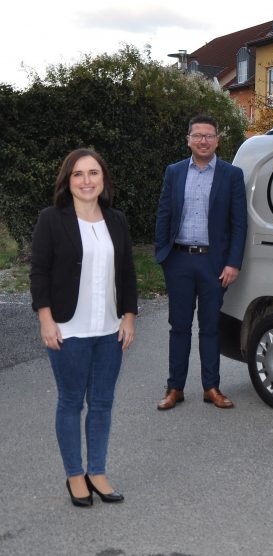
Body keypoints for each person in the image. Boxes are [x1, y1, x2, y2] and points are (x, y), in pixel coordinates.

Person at [31, 149, 137, 507]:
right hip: (68, 329)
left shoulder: (116, 220)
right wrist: (46, 320)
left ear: (103, 179)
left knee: (103, 403)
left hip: (109, 330)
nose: (87, 180)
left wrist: (129, 316)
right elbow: (39, 273)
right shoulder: (52, 219)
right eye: (78, 174)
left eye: (93, 173)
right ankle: (75, 474)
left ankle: (98, 471)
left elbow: (126, 273)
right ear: (68, 180)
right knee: (71, 402)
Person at [154, 115, 247, 410]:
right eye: (197, 135)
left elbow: (239, 224)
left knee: (210, 328)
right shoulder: (175, 172)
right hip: (179, 261)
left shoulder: (232, 175)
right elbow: (163, 214)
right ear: (189, 140)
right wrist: (163, 255)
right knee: (178, 327)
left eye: (209, 136)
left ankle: (211, 387)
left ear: (217, 140)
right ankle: (175, 388)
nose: (203, 141)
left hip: (214, 265)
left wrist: (233, 263)